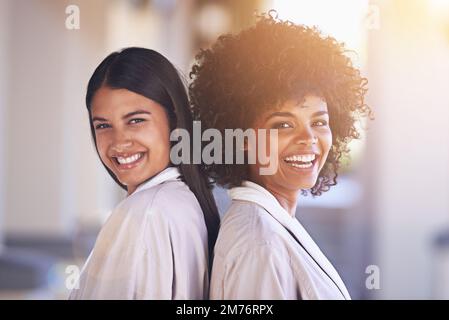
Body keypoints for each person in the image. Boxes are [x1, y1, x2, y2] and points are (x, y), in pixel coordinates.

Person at [189, 12, 372, 299]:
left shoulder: (271, 225)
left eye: (319, 121)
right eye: (283, 125)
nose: (308, 138)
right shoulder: (259, 245)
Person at [69, 47, 220, 299]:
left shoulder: (143, 214)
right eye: (103, 125)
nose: (119, 142)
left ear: (174, 120)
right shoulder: (183, 200)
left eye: (135, 120)